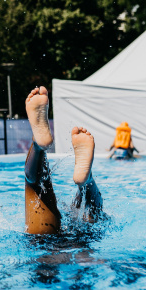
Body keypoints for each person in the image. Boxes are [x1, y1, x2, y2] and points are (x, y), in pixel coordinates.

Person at [24, 87, 104, 234]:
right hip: (83, 250)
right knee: (92, 220)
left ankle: (38, 145)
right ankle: (87, 181)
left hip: (44, 248)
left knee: (34, 185)